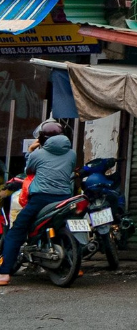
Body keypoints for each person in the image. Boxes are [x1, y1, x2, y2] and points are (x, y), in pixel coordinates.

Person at [0, 121, 76, 286]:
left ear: (42, 138)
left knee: (16, 231)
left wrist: (30, 151)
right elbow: (69, 169)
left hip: (41, 198)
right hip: (64, 197)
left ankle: (4, 273)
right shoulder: (72, 154)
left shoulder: (37, 154)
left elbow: (29, 171)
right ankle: (73, 264)